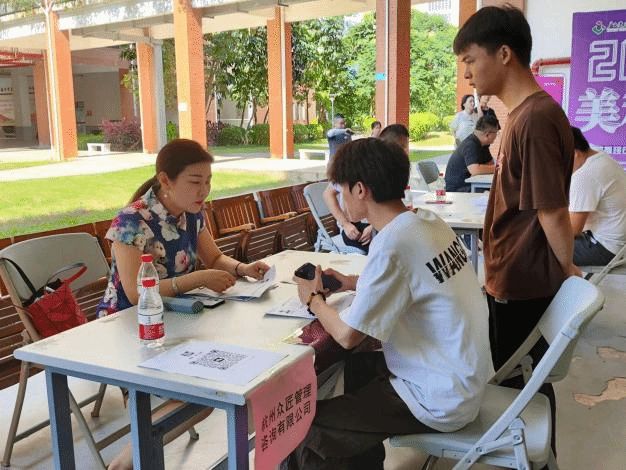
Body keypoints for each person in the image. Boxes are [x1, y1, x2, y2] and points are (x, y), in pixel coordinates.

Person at [283, 138, 492, 470]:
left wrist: (314, 300)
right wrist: (352, 282)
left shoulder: (392, 242)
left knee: (306, 429)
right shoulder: (426, 221)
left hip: (438, 398)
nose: (341, 198)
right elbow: (415, 280)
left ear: (360, 190)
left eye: (342, 189)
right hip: (462, 378)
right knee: (357, 368)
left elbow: (348, 335)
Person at [454, 5, 580, 458]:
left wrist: (568, 269)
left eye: (470, 59)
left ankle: (532, 461)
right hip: (514, 274)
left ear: (504, 54)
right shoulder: (524, 116)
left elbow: (551, 210)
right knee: (524, 382)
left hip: (523, 280)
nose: (466, 73)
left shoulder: (535, 118)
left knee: (520, 385)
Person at [98, 138, 270, 470]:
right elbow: (136, 294)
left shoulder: (192, 213)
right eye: (195, 182)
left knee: (215, 382)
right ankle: (128, 459)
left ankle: (135, 453)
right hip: (130, 326)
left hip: (178, 318)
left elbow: (214, 258)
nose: (203, 190)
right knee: (201, 392)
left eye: (208, 181)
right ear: (165, 180)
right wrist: (197, 279)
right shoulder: (130, 221)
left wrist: (242, 268)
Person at [569, 126, 626, 266]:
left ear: (575, 154)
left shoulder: (585, 175)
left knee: (537, 249)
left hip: (605, 248)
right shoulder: (596, 156)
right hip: (616, 243)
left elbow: (572, 230)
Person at [444, 114, 499, 192]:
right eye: (496, 133)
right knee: (495, 192)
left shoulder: (484, 145)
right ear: (487, 134)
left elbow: (490, 164)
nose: (496, 136)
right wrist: (498, 168)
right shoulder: (470, 145)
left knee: (498, 188)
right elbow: (475, 169)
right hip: (458, 189)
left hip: (471, 184)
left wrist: (494, 167)